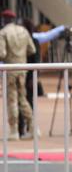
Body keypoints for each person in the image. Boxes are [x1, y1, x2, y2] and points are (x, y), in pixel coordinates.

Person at [0, 10, 36, 140]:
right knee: (23, 99)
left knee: (12, 100)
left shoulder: (3, 33)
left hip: (10, 70)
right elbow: (32, 49)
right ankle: (33, 128)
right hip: (22, 69)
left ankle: (14, 131)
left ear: (4, 20)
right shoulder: (23, 31)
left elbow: (2, 54)